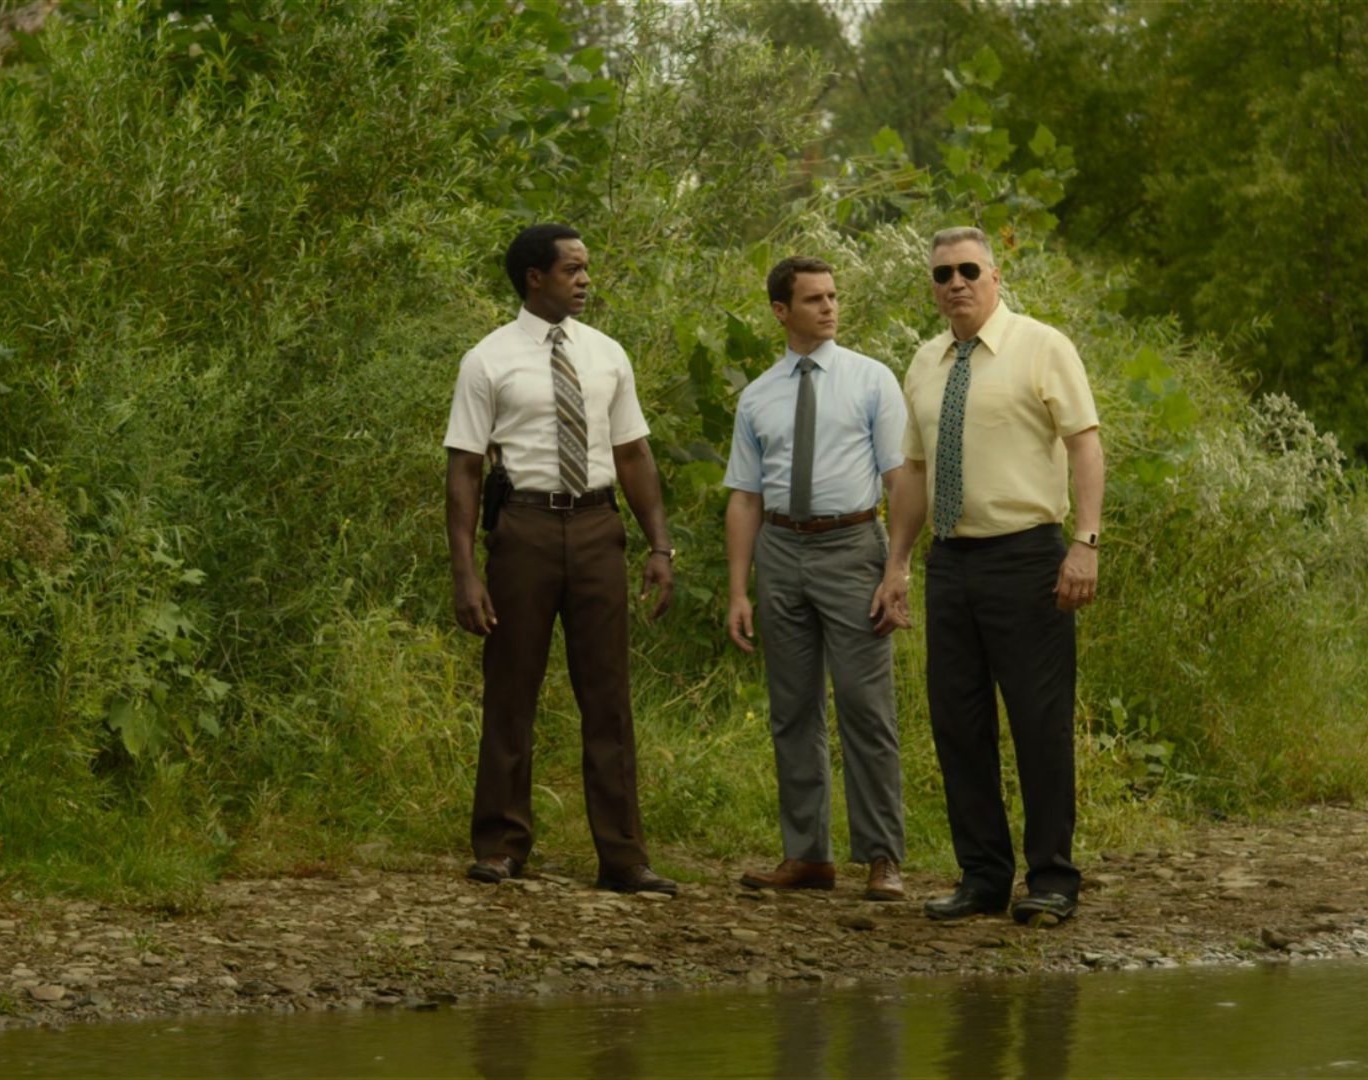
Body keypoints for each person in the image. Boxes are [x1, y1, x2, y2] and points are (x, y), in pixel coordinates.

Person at [443, 223, 679, 896]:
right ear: (533, 278)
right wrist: (466, 571)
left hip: (599, 525)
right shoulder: (487, 360)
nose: (585, 279)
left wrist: (659, 545)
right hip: (525, 528)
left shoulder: (606, 354)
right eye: (572, 269)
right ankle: (501, 844)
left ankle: (624, 857)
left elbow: (633, 453)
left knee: (607, 695)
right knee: (511, 688)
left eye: (586, 268)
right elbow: (463, 469)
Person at [898, 226, 1104, 926]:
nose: (954, 283)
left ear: (994, 276)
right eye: (941, 275)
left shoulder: (1041, 346)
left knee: (1039, 723)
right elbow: (915, 474)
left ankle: (1051, 879)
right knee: (958, 723)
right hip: (950, 562)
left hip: (1027, 555)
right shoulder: (925, 363)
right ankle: (983, 876)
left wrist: (1086, 542)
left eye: (967, 270)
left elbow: (1085, 444)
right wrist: (897, 563)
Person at [725, 256, 917, 903]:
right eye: (814, 299)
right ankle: (807, 855)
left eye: (834, 296)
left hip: (852, 546)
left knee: (866, 707)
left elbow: (900, 480)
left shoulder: (870, 380)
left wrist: (897, 569)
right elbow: (745, 498)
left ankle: (883, 857)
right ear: (781, 311)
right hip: (782, 548)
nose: (830, 308)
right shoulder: (759, 394)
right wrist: (737, 589)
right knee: (792, 709)